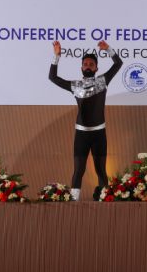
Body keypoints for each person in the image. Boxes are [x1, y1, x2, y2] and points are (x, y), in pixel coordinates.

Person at [49, 40, 122, 201]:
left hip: (99, 134)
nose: (88, 66)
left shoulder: (102, 81)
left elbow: (118, 63)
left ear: (96, 68)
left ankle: (104, 201)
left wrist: (108, 49)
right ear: (81, 68)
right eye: (85, 64)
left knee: (101, 171)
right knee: (78, 170)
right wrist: (56, 56)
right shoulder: (75, 85)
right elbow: (52, 77)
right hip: (81, 135)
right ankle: (73, 202)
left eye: (91, 64)